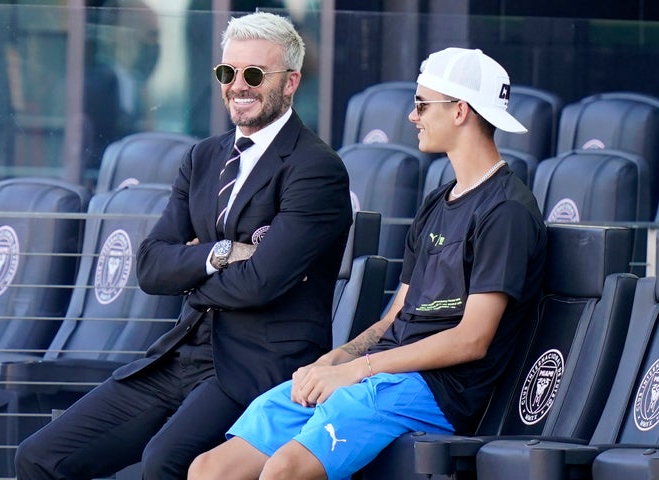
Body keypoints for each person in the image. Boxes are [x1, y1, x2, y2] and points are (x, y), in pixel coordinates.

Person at [14, 11, 352, 480]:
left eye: (254, 74)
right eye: (226, 73)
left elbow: (261, 283)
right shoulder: (203, 156)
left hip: (258, 367)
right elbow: (151, 267)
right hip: (181, 354)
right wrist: (220, 254)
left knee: (164, 463)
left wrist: (189, 275)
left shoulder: (316, 168)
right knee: (38, 457)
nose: (238, 86)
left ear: (291, 82)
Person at [187, 47, 548, 480]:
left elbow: (472, 340)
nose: (413, 116)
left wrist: (359, 370)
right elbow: (397, 315)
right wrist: (336, 360)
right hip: (380, 375)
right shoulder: (438, 201)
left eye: (421, 104)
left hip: (434, 391)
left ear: (460, 111)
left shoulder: (506, 211)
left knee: (284, 470)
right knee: (211, 469)